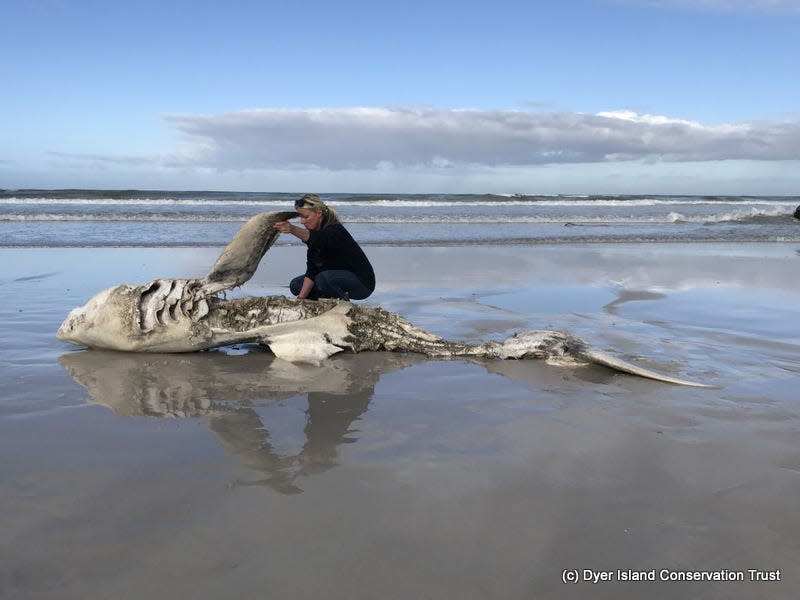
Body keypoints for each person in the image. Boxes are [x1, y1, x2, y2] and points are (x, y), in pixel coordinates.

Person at [274, 194, 375, 300]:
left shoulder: (335, 231)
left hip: (362, 284)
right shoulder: (315, 237)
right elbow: (312, 270)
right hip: (333, 278)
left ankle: (343, 305)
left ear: (319, 213)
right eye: (300, 217)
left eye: (306, 217)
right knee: (296, 285)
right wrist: (301, 298)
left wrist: (292, 229)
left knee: (323, 279)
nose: (302, 221)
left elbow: (319, 239)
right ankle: (320, 303)